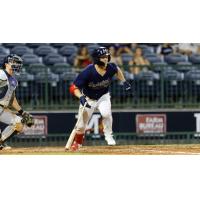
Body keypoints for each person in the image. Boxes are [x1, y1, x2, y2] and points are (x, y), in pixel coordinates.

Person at [67, 47, 131, 151]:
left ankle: (109, 135)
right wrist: (81, 97)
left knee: (106, 113)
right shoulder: (88, 71)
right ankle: (78, 143)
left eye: (106, 56)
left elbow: (117, 69)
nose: (106, 59)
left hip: (103, 96)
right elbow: (73, 87)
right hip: (88, 98)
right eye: (102, 57)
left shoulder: (111, 67)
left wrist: (124, 81)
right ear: (97, 58)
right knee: (81, 125)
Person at [0, 54, 34, 150]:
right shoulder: (1, 73)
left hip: (2, 108)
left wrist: (22, 112)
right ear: (6, 64)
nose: (16, 64)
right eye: (13, 62)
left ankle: (0, 142)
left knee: (18, 123)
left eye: (17, 62)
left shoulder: (14, 80)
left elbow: (12, 99)